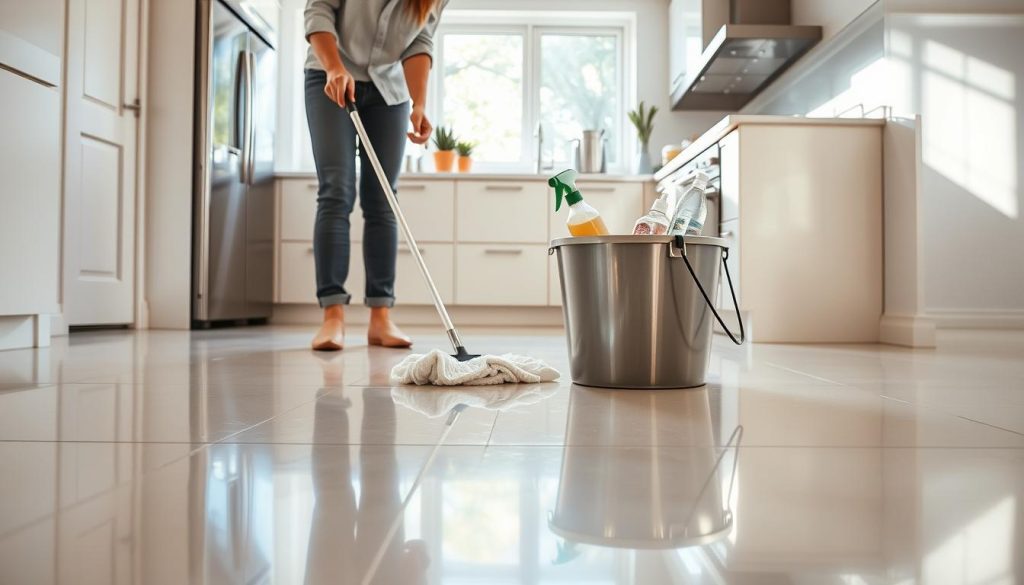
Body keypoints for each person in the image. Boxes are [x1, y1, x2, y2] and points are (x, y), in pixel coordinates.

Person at [304, 0, 447, 351]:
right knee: (337, 191)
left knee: (383, 199)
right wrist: (335, 67)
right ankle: (333, 316)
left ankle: (380, 317)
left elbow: (419, 41)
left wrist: (419, 104)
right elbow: (318, 10)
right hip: (330, 76)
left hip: (390, 91)